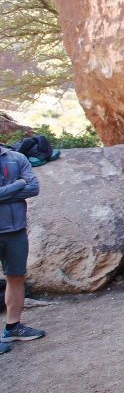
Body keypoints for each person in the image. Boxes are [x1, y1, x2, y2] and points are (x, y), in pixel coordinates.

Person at [0, 144, 45, 355]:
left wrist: (6, 191)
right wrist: (18, 185)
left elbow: (34, 188)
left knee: (16, 276)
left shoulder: (16, 158)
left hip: (15, 230)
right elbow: (25, 186)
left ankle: (13, 327)